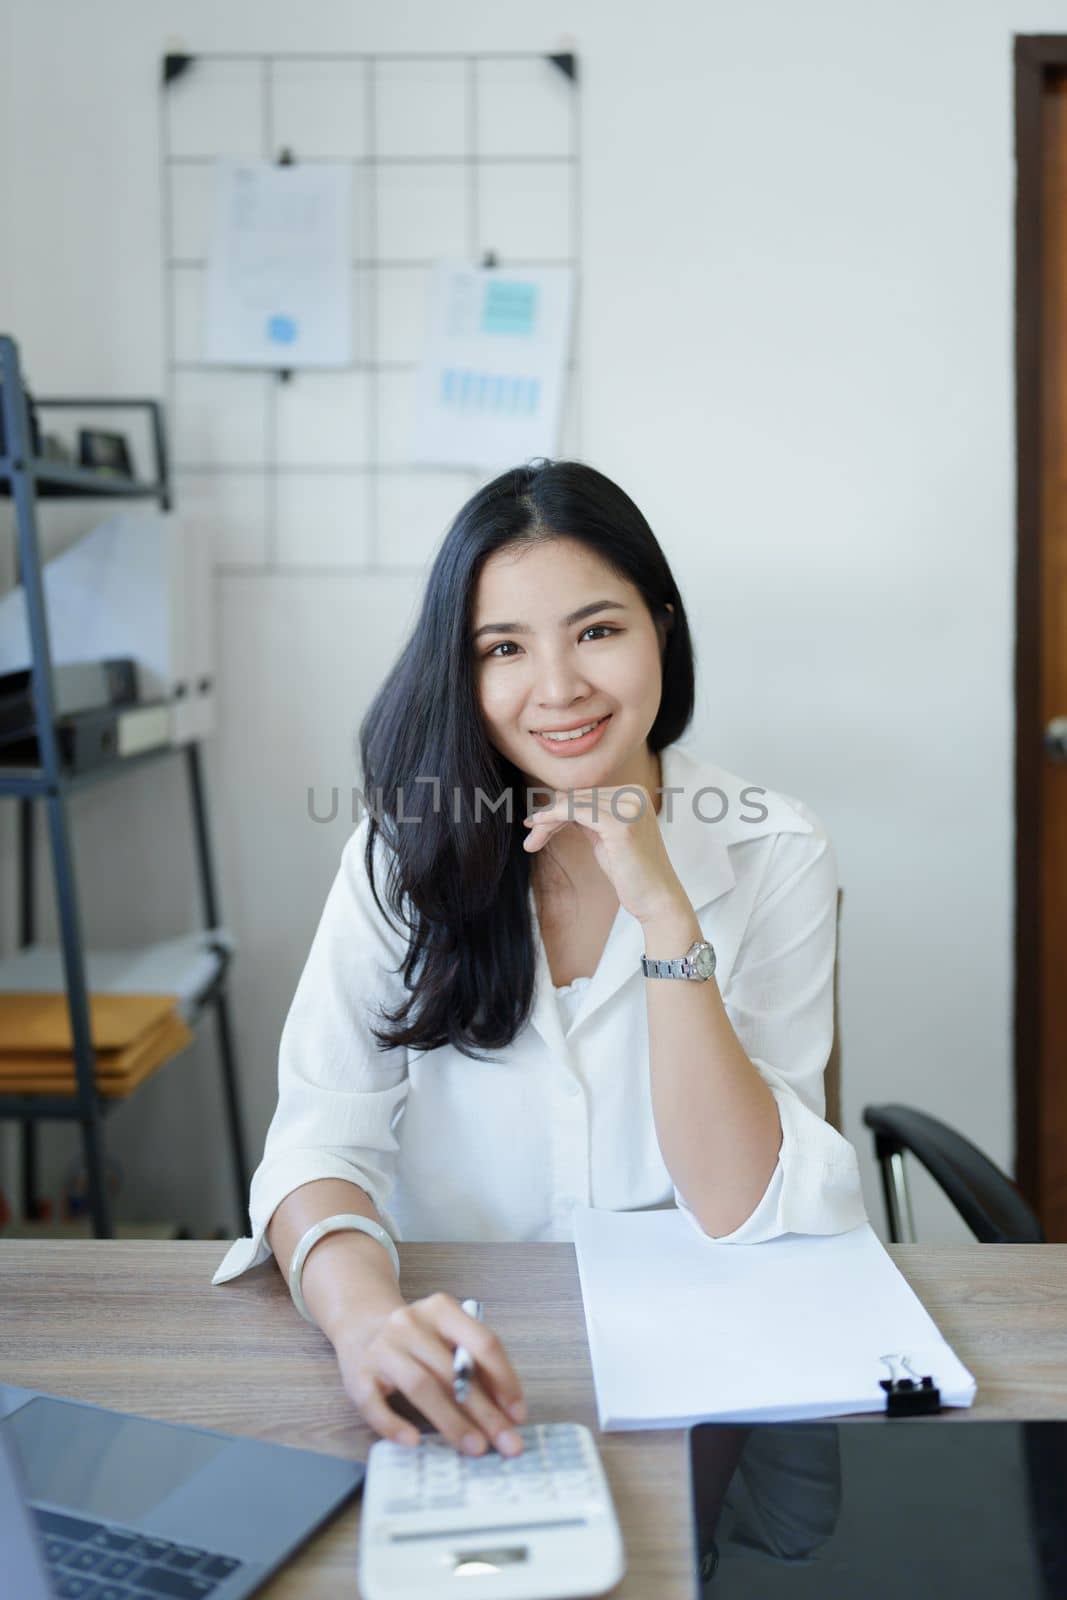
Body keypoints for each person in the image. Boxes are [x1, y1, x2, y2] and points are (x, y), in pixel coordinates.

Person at [213, 459, 866, 1462]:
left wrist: (661, 913)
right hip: (457, 1367)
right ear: (460, 671)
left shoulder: (771, 847)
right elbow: (316, 1149)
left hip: (714, 1377)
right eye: (502, 648)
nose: (557, 688)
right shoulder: (401, 851)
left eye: (596, 630)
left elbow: (743, 1204)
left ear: (662, 627)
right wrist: (364, 1323)